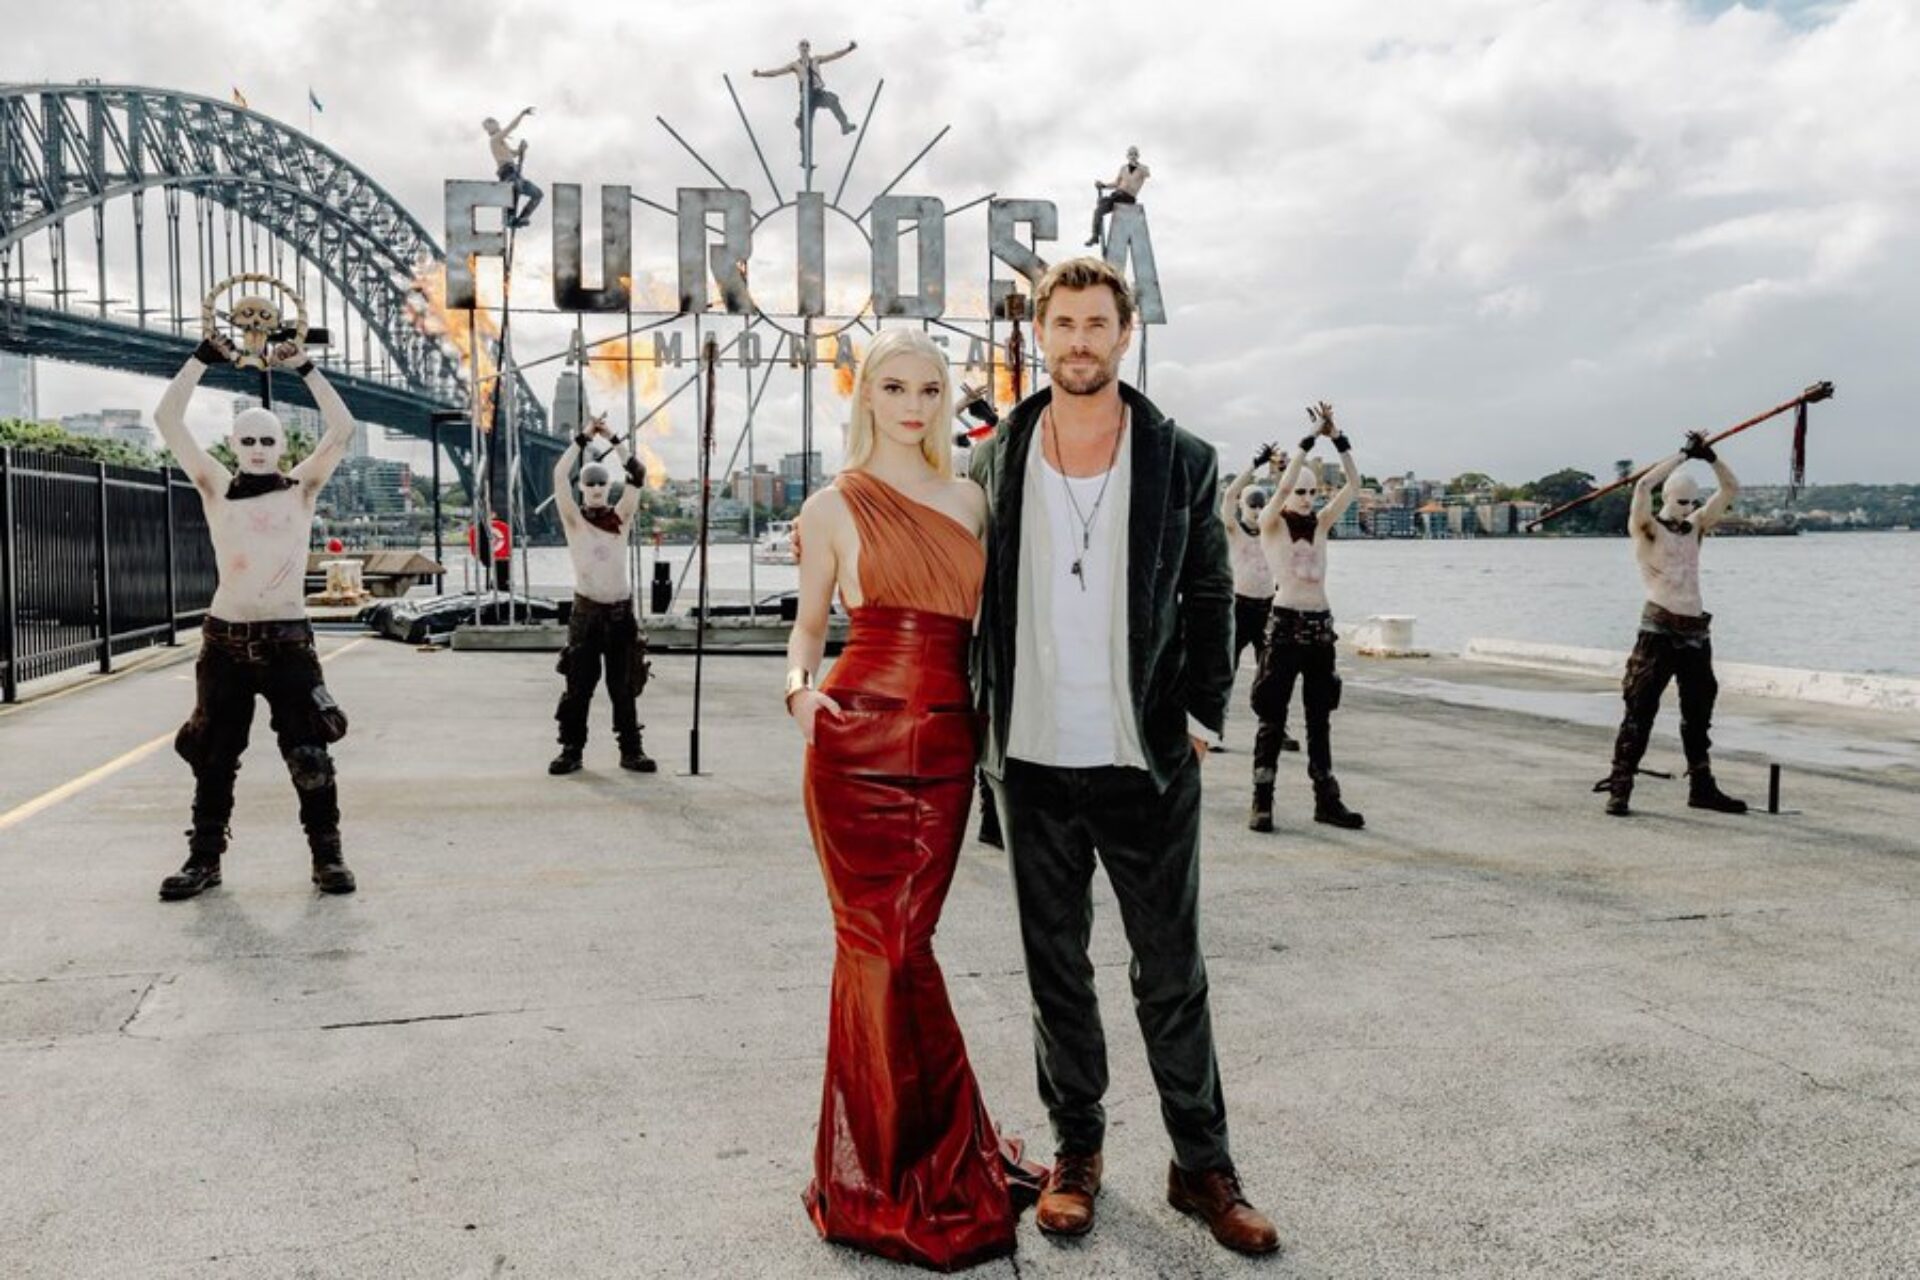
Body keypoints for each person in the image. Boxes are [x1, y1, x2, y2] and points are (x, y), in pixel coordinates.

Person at [970, 258, 1281, 1257]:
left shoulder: (1182, 456)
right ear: (1042, 333)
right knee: (1056, 967)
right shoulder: (999, 454)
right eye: (1062, 323)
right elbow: (928, 527)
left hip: (1145, 757)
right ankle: (1077, 1152)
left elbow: (1210, 592)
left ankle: (1201, 1162)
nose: (1078, 340)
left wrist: (1200, 712)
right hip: (1034, 757)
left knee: (1171, 971)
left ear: (1124, 332)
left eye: (1096, 323)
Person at [785, 328, 1040, 1271]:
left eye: (929, 389)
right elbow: (808, 628)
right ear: (866, 399)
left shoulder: (973, 501)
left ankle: (932, 1154)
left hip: (943, 748)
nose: (913, 404)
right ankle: (882, 1169)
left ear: (944, 401)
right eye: (894, 387)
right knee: (873, 951)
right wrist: (800, 695)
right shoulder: (830, 505)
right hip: (851, 747)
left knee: (904, 950)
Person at [151, 332, 359, 900]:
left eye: (269, 440)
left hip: (288, 642)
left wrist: (306, 368)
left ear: (282, 443)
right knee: (213, 757)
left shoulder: (301, 489)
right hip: (225, 643)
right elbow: (168, 419)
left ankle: (328, 857)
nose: (260, 448)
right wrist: (200, 359)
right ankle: (203, 860)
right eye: (249, 440)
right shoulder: (216, 487)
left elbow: (343, 430)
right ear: (235, 444)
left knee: (309, 753)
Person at [1599, 432, 1748, 816]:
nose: (1687, 508)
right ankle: (1621, 787)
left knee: (1698, 713)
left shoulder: (1697, 527)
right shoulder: (1647, 529)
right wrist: (1682, 455)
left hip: (1696, 632)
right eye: (1681, 501)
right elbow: (1644, 484)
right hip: (1658, 631)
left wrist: (1710, 457)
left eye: (1692, 502)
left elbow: (1731, 488)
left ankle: (1702, 786)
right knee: (1640, 712)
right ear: (1668, 499)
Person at [1248, 404, 1366, 834]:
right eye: (1300, 492)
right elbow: (1280, 488)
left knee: (1320, 717)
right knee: (1271, 716)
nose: (1306, 499)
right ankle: (1262, 799)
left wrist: (1337, 438)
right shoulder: (1270, 524)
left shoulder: (1321, 524)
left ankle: (1326, 799)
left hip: (1319, 629)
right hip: (1284, 627)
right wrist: (1307, 440)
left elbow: (1354, 484)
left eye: (1312, 492)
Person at [549, 417, 653, 776]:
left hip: (621, 615)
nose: (594, 488)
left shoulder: (621, 517)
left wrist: (611, 437)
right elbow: (559, 475)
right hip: (586, 614)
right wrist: (581, 439)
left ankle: (631, 750)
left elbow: (637, 474)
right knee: (578, 687)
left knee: (623, 687)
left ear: (608, 486)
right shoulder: (574, 521)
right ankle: (571, 749)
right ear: (582, 488)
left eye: (600, 482)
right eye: (589, 483)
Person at [1221, 444, 1297, 754]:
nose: (1255, 509)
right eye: (1251, 504)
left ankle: (1277, 728)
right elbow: (1227, 497)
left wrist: (1281, 470)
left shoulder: (1272, 530)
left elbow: (1287, 495)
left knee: (1273, 672)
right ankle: (1215, 728)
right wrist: (1255, 463)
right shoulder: (1234, 530)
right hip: (1239, 607)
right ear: (1243, 506)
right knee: (1226, 670)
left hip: (1268, 607)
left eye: (1259, 504)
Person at [753, 38, 860, 137]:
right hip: (807, 95)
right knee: (806, 120)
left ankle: (844, 125)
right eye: (802, 45)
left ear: (809, 48)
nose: (804, 47)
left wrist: (848, 49)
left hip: (818, 93)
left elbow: (834, 55)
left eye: (806, 45)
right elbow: (777, 72)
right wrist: (760, 74)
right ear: (799, 48)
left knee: (833, 99)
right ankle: (802, 119)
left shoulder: (816, 60)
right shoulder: (795, 65)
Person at [483, 108, 542, 229]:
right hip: (507, 173)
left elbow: (514, 154)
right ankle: (509, 217)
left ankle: (522, 217)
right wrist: (521, 115)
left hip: (515, 173)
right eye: (494, 124)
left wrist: (522, 149)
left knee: (537, 194)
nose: (498, 126)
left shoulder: (502, 142)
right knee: (515, 186)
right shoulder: (495, 140)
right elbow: (511, 127)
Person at [1085, 147, 1150, 248]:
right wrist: (1105, 185)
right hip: (1117, 195)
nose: (1132, 156)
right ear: (1127, 156)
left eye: (1135, 154)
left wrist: (1137, 165)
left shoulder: (1143, 169)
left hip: (1128, 198)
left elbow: (1148, 174)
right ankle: (1095, 236)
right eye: (1130, 154)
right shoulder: (1123, 168)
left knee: (1122, 218)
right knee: (1098, 210)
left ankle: (1128, 237)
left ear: (1137, 156)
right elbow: (1116, 183)